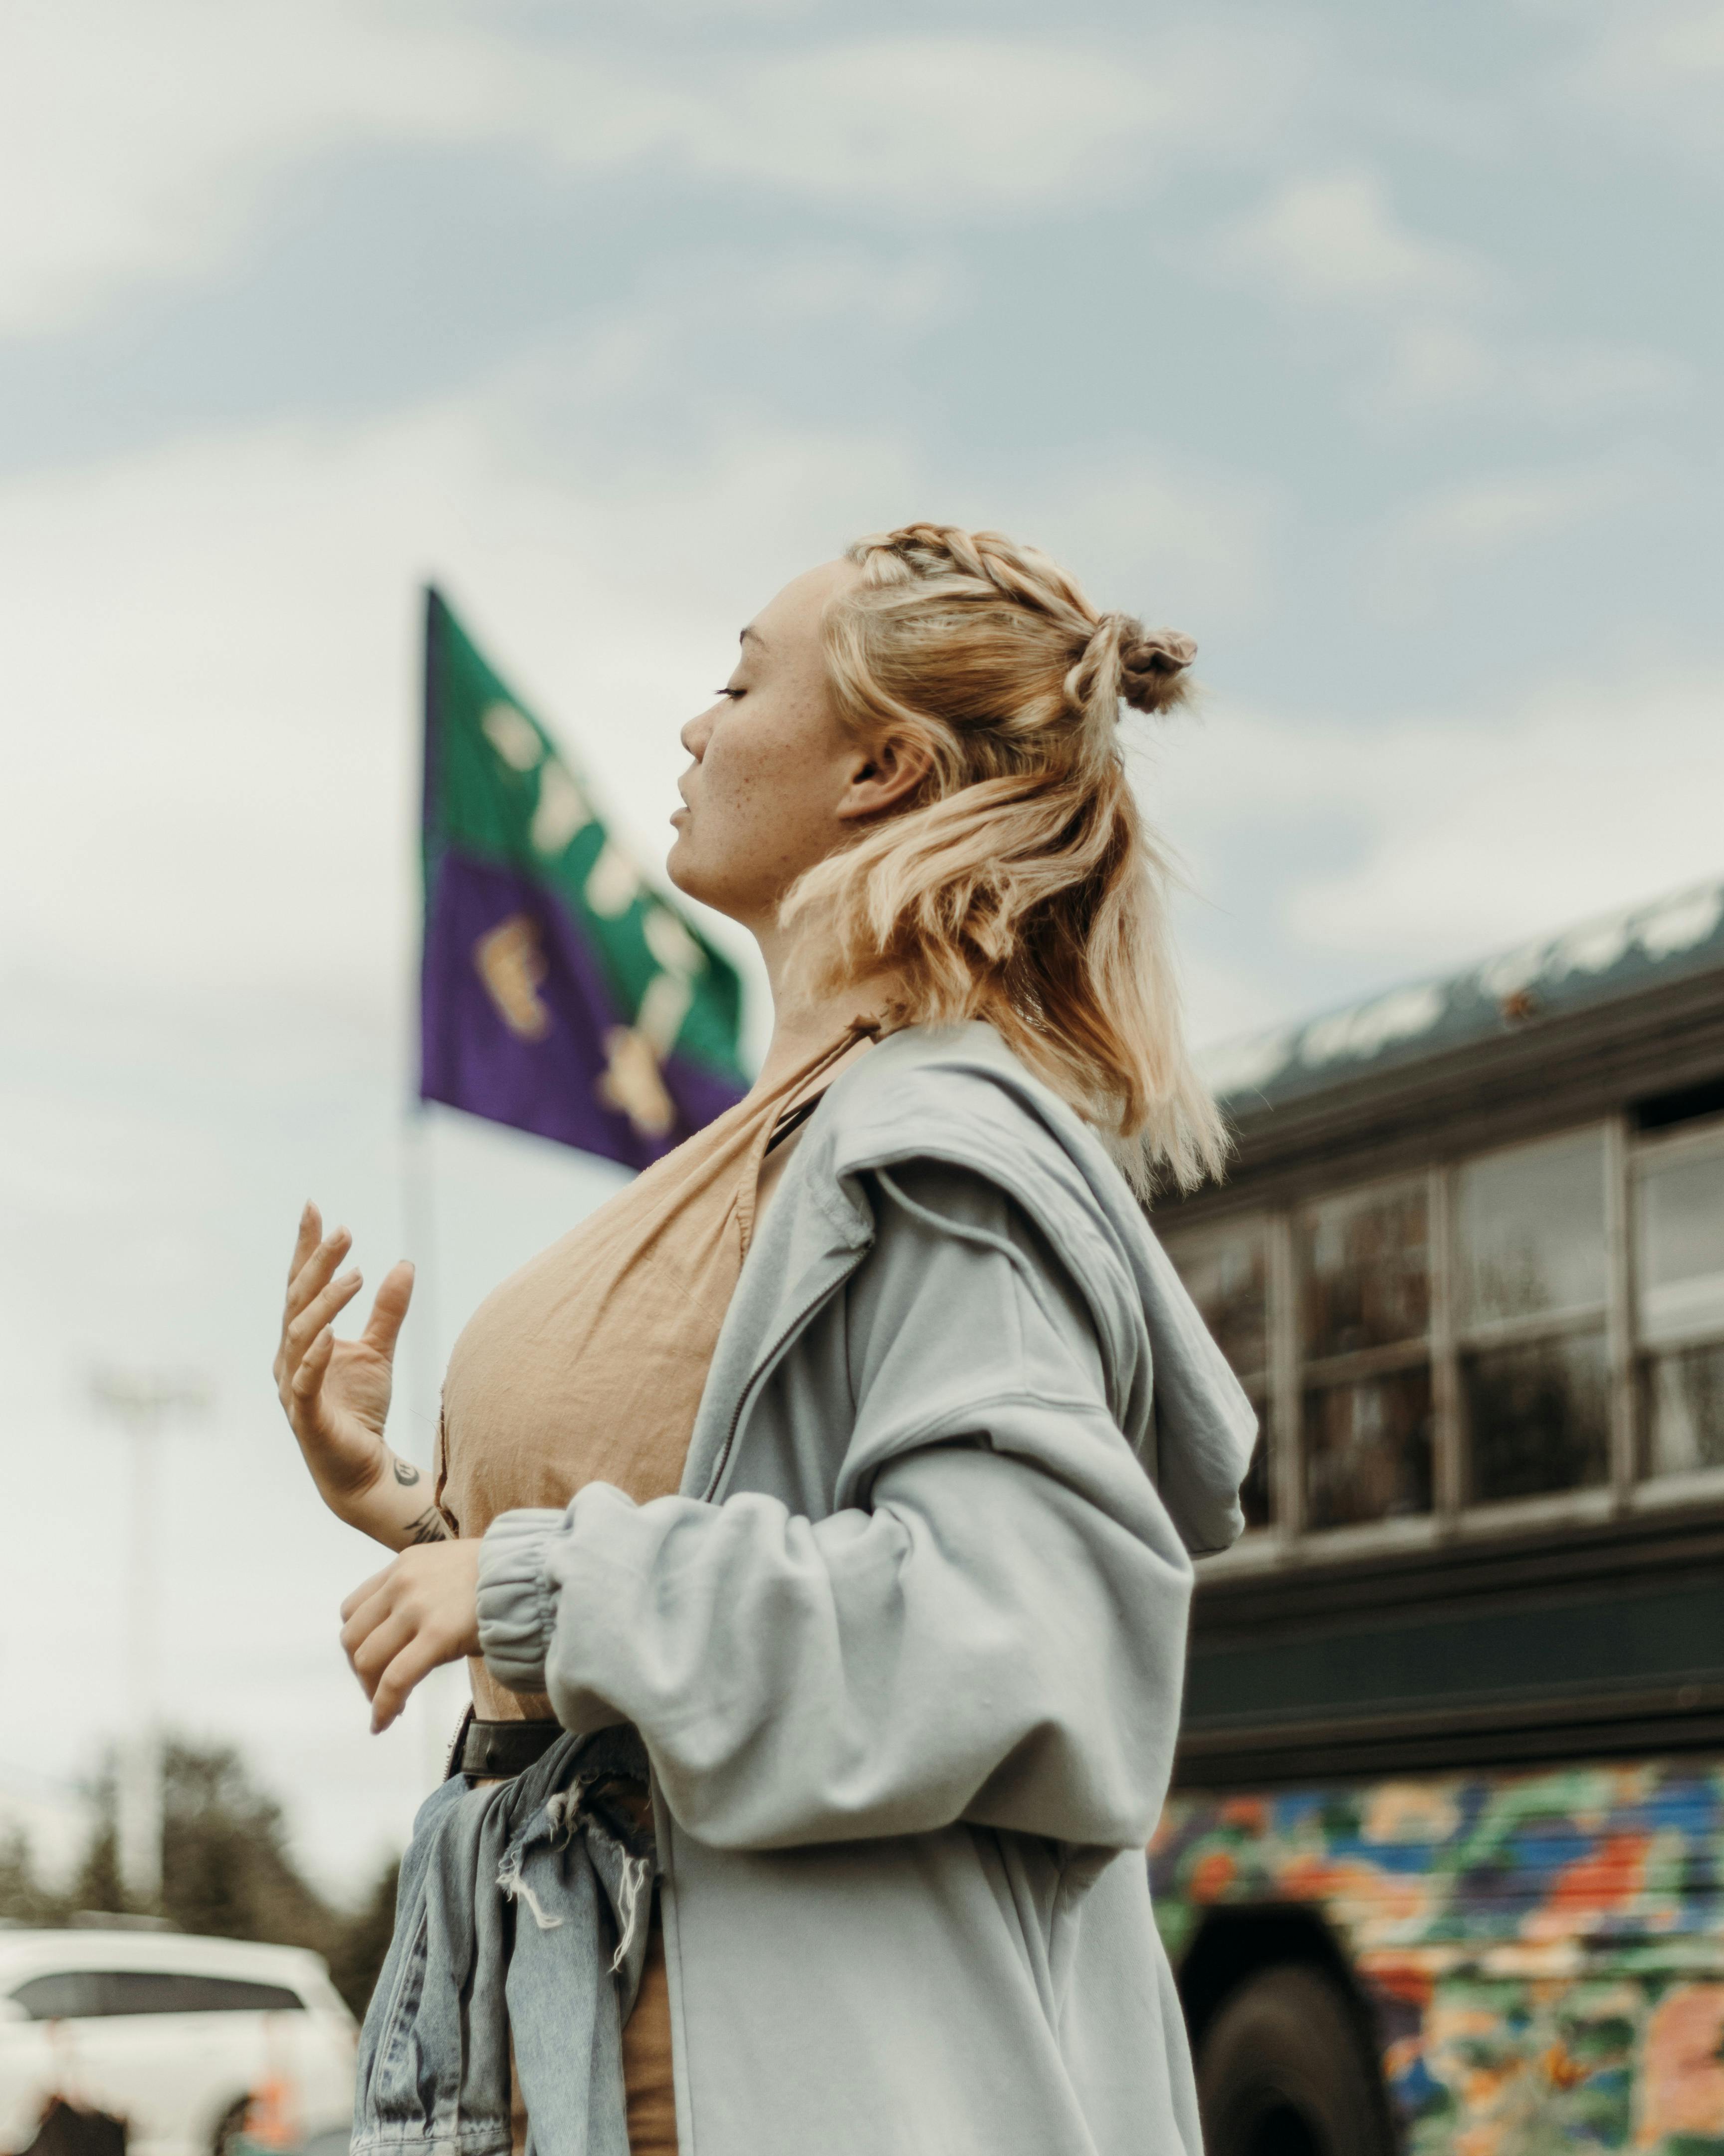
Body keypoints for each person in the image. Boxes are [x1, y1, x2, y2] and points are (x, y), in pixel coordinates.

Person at [273, 523, 1256, 2156]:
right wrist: (413, 1510)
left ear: (880, 767)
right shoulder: (781, 1137)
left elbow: (1006, 1633)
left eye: (739, 679)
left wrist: (529, 1575)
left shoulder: (940, 1146)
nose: (694, 725)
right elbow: (716, 1533)